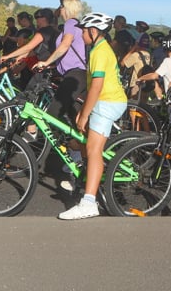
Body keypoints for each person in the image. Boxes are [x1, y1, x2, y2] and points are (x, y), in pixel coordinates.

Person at [57, 13, 128, 220]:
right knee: (81, 140)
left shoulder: (100, 51)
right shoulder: (98, 48)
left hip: (108, 102)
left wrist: (84, 114)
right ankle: (85, 178)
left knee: (93, 149)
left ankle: (88, 203)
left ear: (93, 31)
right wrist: (83, 111)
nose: (81, 35)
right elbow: (93, 87)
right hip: (104, 100)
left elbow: (97, 86)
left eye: (84, 31)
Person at [32, 0, 88, 125]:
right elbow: (70, 55)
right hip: (78, 74)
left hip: (74, 74)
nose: (60, 9)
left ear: (67, 8)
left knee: (53, 115)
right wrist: (51, 66)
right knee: (72, 119)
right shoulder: (76, 24)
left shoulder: (70, 23)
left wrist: (46, 62)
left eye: (62, 7)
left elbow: (65, 45)